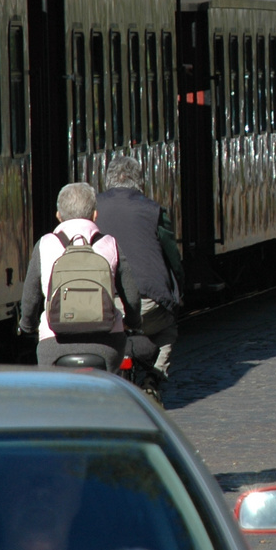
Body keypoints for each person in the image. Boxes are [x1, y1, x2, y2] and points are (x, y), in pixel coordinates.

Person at [18, 182, 136, 369]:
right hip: (107, 345)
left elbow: (30, 299)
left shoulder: (44, 244)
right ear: (95, 215)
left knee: (54, 392)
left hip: (54, 345)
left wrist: (26, 325)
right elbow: (132, 297)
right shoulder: (110, 243)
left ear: (58, 216)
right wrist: (133, 321)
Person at [95, 156, 178, 396]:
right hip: (147, 303)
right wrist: (177, 293)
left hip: (103, 304)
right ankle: (153, 378)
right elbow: (172, 257)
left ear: (107, 180)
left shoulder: (94, 210)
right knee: (168, 328)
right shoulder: (154, 210)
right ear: (140, 182)